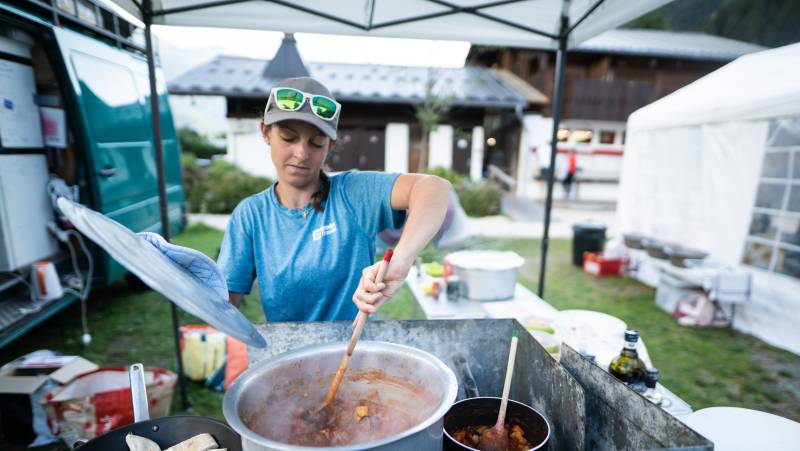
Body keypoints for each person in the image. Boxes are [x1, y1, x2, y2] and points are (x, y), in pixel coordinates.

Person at [217, 77, 451, 321]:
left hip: (355, 352)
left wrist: (401, 260)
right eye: (288, 138)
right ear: (266, 132)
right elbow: (224, 303)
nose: (301, 153)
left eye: (316, 143)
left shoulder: (353, 194)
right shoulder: (251, 215)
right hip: (289, 354)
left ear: (330, 145)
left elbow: (435, 188)